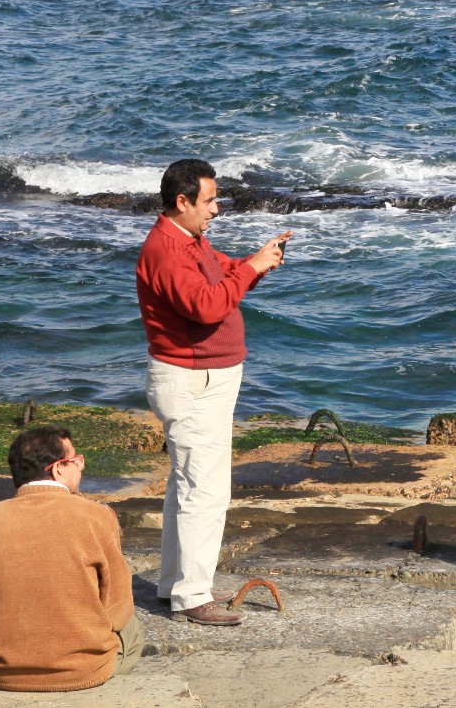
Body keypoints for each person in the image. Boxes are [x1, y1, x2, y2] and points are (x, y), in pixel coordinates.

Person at [138, 158, 292, 625]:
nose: (216, 209)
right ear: (181, 201)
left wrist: (255, 263)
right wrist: (252, 269)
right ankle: (192, 596)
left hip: (200, 379)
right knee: (204, 492)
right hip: (192, 382)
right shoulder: (166, 250)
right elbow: (206, 306)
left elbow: (221, 271)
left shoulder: (188, 241)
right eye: (209, 200)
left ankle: (176, 585)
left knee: (186, 486)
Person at [0, 426, 140, 692]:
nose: (81, 467)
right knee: (134, 629)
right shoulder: (96, 516)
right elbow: (119, 609)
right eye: (77, 461)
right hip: (83, 671)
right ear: (58, 469)